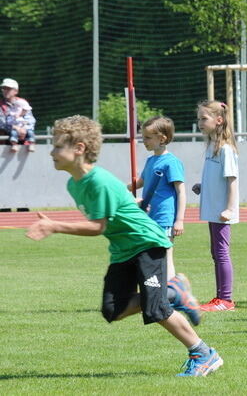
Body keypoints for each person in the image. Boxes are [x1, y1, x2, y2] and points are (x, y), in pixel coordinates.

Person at [26, 116, 220, 377]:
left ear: (79, 148)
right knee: (112, 310)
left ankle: (203, 353)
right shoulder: (74, 184)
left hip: (147, 244)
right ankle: (174, 292)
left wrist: (54, 226)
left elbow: (98, 227)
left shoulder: (98, 181)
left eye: (58, 146)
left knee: (156, 308)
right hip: (123, 250)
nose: (52, 152)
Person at [128, 116, 187, 282]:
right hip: (148, 216)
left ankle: (171, 289)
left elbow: (181, 191)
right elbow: (141, 182)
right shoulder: (150, 160)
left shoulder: (171, 162)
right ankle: (158, 289)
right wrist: (123, 188)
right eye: (143, 137)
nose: (144, 141)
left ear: (162, 139)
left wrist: (179, 220)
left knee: (165, 255)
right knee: (150, 255)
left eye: (148, 137)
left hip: (164, 217)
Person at [193, 100, 239, 312]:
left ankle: (226, 300)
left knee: (221, 253)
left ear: (219, 120)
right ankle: (220, 297)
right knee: (216, 252)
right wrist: (203, 186)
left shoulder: (226, 149)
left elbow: (232, 180)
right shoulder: (212, 147)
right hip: (213, 209)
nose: (200, 123)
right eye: (199, 119)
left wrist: (229, 209)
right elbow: (217, 177)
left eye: (204, 118)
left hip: (221, 211)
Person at [1, 77, 36, 152]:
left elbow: (30, 120)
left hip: (24, 143)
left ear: (16, 91)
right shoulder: (0, 105)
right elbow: (1, 123)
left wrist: (24, 129)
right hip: (4, 144)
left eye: (8, 89)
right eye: (3, 88)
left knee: (30, 133)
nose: (5, 91)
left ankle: (30, 144)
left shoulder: (23, 103)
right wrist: (15, 128)